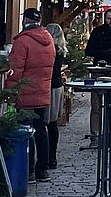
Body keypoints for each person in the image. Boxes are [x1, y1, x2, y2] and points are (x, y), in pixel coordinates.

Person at [5, 8, 55, 183]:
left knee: (26, 132)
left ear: (25, 19)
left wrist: (10, 92)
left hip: (26, 93)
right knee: (41, 130)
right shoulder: (48, 39)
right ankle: (43, 169)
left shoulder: (23, 41)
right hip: (42, 92)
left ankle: (29, 171)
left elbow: (15, 71)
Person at [85, 9, 111, 147]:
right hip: (98, 70)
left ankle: (110, 134)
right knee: (96, 105)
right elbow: (89, 50)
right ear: (105, 18)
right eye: (108, 18)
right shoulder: (97, 31)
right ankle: (95, 135)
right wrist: (105, 52)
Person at [45, 23, 68, 170]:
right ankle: (52, 156)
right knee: (52, 123)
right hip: (57, 86)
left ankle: (49, 156)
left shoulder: (51, 50)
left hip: (50, 87)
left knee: (48, 123)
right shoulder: (60, 50)